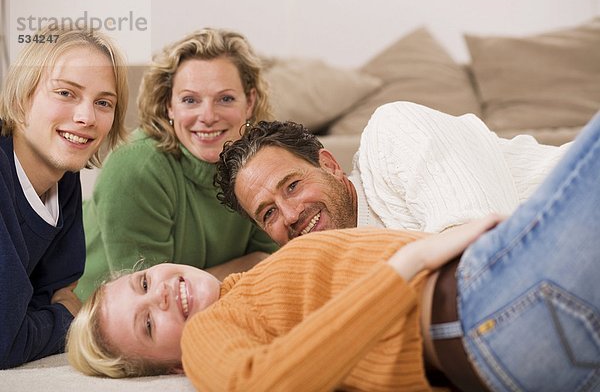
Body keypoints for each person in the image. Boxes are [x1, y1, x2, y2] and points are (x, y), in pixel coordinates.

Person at [66, 110, 599, 391]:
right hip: (479, 315)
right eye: (148, 326)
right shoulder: (210, 333)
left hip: (506, 312)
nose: (159, 296)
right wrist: (406, 266)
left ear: (331, 164)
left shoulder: (260, 285)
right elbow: (260, 383)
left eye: (142, 283)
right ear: (168, 369)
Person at [75, 28, 278, 301]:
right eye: (190, 100)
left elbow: (275, 264)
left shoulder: (261, 163)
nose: (207, 116)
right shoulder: (136, 167)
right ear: (169, 105)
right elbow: (159, 301)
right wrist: (248, 265)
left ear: (249, 102)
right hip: (92, 319)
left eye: (225, 98)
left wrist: (191, 284)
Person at [215, 101, 571, 246]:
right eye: (269, 213)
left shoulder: (392, 131)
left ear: (330, 165)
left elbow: (483, 248)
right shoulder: (331, 275)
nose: (291, 215)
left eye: (292, 185)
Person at [0, 26, 128, 369]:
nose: (86, 117)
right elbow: (4, 341)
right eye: (65, 93)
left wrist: (44, 313)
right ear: (20, 98)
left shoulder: (64, 181)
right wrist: (64, 319)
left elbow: (58, 291)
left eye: (103, 102)